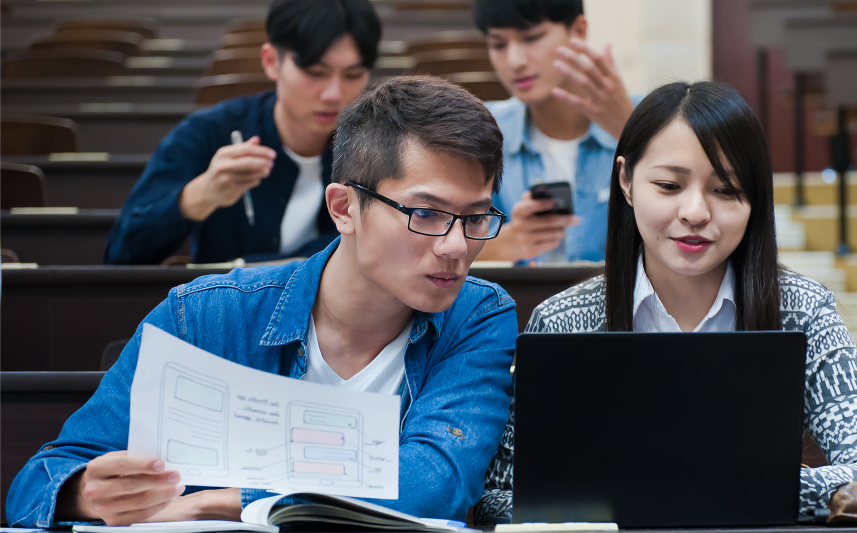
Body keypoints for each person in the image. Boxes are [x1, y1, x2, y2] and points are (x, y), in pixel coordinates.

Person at [9, 76, 516, 527]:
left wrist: (225, 502)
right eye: (426, 214)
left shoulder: (476, 316)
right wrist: (87, 494)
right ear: (344, 208)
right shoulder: (205, 314)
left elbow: (435, 483)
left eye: (476, 218)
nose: (456, 246)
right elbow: (39, 482)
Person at [472, 81, 857, 525]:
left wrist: (700, 487)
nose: (696, 212)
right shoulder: (563, 320)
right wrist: (699, 489)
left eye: (726, 190)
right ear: (626, 180)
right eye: (669, 185)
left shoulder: (802, 309)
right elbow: (497, 496)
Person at [104, 0, 381, 265]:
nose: (333, 94)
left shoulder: (378, 145)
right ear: (271, 61)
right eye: (315, 72)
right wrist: (199, 195)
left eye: (352, 75)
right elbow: (120, 254)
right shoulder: (210, 132)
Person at [471, 0, 643, 264]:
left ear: (578, 30)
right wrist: (507, 243)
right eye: (498, 44)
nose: (515, 61)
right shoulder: (480, 130)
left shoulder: (651, 118)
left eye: (532, 38)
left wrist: (630, 131)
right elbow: (435, 241)